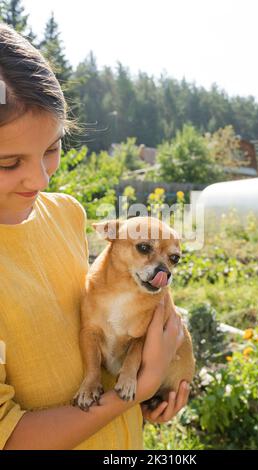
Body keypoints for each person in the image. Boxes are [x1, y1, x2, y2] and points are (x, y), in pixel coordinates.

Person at [0, 23, 190, 450]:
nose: (40, 177)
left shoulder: (66, 213)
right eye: (8, 163)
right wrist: (137, 389)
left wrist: (150, 387)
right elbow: (10, 439)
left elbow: (100, 331)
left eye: (52, 147)